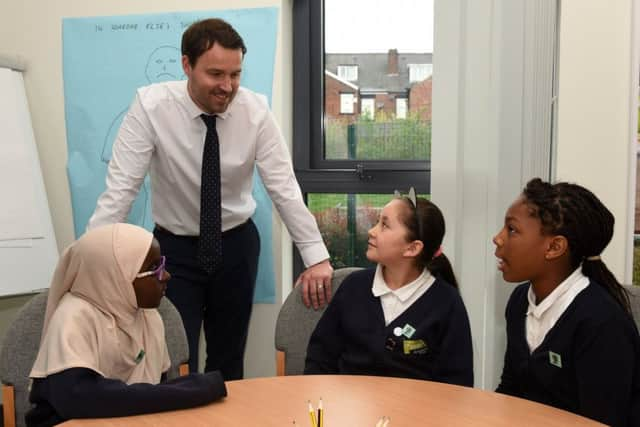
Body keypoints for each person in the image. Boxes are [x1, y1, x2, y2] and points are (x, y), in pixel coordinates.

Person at [87, 18, 333, 378]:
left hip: (236, 245)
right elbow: (121, 189)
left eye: (235, 74)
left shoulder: (255, 110)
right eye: (215, 74)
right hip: (174, 250)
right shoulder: (151, 107)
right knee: (173, 356)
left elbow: (284, 187)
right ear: (187, 64)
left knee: (228, 360)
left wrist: (316, 257)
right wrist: (90, 264)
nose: (227, 86)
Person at [26, 223, 227, 427]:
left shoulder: (149, 317)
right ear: (117, 276)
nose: (165, 275)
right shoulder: (73, 317)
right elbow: (80, 399)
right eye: (153, 268)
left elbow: (154, 391)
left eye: (162, 265)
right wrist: (194, 389)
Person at [493, 178, 640, 427]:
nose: (498, 238)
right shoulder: (520, 302)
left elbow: (601, 421)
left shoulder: (602, 324)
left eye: (512, 229)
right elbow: (511, 391)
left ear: (554, 247)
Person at [304, 190, 473, 386]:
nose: (372, 231)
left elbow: (457, 386)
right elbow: (319, 358)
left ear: (412, 248)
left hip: (416, 414)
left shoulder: (447, 303)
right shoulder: (352, 287)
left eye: (384, 225)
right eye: (377, 222)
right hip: (348, 410)